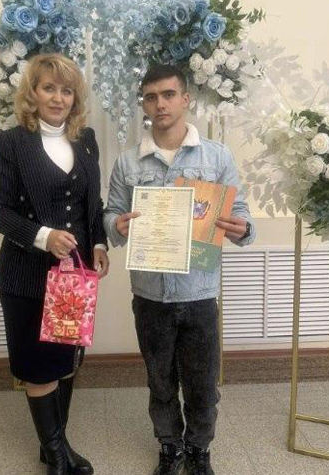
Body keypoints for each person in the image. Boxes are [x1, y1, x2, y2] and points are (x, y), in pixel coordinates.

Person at [103, 64, 256, 475]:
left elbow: (240, 214)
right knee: (160, 382)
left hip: (199, 293)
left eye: (169, 95)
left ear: (186, 99)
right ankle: (169, 447)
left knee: (203, 385)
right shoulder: (127, 163)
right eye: (151, 97)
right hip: (150, 295)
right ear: (144, 104)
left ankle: (199, 449)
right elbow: (111, 213)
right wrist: (115, 225)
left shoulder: (217, 157)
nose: (160, 104)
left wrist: (243, 229)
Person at [0, 53, 109, 475]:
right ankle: (57, 457)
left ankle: (53, 446)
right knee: (39, 366)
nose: (58, 98)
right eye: (49, 88)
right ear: (33, 93)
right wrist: (44, 236)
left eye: (66, 90)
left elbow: (93, 204)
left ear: (75, 98)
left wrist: (99, 244)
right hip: (26, 276)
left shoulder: (86, 139)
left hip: (74, 277)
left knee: (66, 360)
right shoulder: (11, 142)